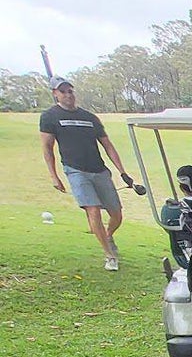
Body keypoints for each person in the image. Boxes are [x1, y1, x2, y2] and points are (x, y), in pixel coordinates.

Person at [39, 79, 130, 270]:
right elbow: (47, 148)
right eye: (63, 92)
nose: (68, 95)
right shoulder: (50, 117)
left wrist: (122, 172)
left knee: (116, 214)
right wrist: (54, 176)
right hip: (75, 170)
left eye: (70, 91)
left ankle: (108, 235)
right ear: (55, 93)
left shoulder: (89, 117)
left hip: (99, 170)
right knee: (93, 209)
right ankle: (109, 255)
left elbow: (107, 145)